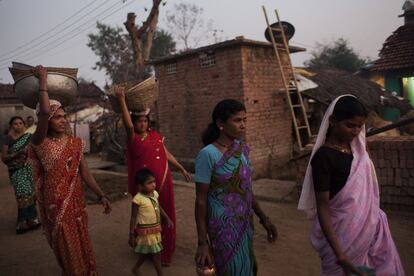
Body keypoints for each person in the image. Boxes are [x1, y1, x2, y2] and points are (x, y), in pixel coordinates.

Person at [298, 95, 405, 276]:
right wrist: (339, 254)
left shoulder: (358, 152)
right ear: (332, 121)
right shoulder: (324, 157)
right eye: (350, 125)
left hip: (370, 232)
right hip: (340, 238)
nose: (355, 131)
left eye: (359, 126)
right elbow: (323, 207)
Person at [28, 65, 112, 275]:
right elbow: (45, 110)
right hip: (55, 202)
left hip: (75, 199)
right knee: (66, 244)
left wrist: (101, 195)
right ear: (45, 120)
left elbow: (85, 173)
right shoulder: (39, 142)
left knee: (81, 237)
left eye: (63, 116)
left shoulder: (75, 143)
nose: (62, 120)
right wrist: (43, 82)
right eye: (57, 117)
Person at [194, 99, 278, 276]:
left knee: (246, 268)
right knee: (231, 269)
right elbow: (201, 200)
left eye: (244, 120)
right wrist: (202, 243)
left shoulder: (242, 150)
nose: (243, 125)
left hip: (244, 223)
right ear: (220, 124)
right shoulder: (207, 155)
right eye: (237, 120)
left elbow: (246, 190)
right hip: (222, 227)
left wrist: (264, 218)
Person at [115, 85, 191, 266]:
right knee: (148, 217)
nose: (143, 124)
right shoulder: (132, 138)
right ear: (134, 123)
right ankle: (149, 248)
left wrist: (181, 168)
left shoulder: (156, 136)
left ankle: (165, 250)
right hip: (145, 187)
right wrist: (121, 100)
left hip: (164, 182)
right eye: (139, 121)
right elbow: (127, 124)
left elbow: (166, 154)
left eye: (145, 121)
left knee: (166, 214)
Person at [129, 168, 173, 276]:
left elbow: (158, 207)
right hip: (145, 231)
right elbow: (133, 217)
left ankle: (135, 268)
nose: (153, 184)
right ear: (140, 186)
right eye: (149, 183)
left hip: (155, 229)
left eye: (154, 181)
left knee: (146, 252)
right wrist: (131, 234)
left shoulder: (155, 194)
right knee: (156, 254)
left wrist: (167, 218)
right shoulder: (138, 199)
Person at [1, 116, 41, 233]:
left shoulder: (28, 136)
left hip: (28, 169)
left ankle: (33, 220)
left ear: (24, 125)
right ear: (11, 126)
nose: (18, 125)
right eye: (15, 124)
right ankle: (22, 223)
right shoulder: (7, 139)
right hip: (16, 171)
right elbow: (4, 158)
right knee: (22, 195)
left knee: (31, 194)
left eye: (20, 123)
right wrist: (17, 153)